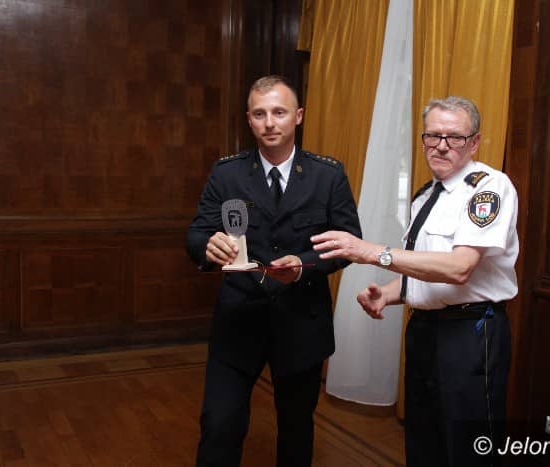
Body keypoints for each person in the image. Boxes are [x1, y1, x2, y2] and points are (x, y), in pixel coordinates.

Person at [312, 96, 518, 467]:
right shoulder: (425, 195)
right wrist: (390, 293)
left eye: (455, 137)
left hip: (471, 332)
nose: (441, 145)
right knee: (424, 438)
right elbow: (428, 271)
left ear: (474, 142)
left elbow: (460, 268)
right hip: (424, 330)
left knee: (468, 446)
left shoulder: (488, 189)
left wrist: (372, 252)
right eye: (433, 135)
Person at [186, 75, 362, 467]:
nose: (270, 123)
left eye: (279, 112)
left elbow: (348, 243)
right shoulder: (227, 174)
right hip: (238, 323)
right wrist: (207, 246)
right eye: (260, 114)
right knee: (219, 425)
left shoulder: (328, 176)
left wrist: (304, 266)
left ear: (297, 116)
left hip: (301, 324)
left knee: (296, 432)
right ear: (249, 119)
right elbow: (197, 233)